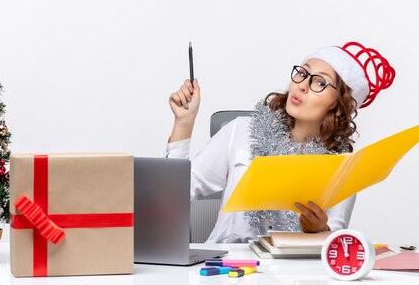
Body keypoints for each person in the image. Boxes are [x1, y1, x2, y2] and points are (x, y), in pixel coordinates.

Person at [165, 41, 396, 243]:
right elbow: (173, 194)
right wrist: (184, 123)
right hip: (226, 267)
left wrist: (320, 230)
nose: (302, 85)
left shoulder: (342, 167)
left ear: (338, 104)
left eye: (320, 83)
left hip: (292, 274)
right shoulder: (242, 130)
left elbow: (333, 246)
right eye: (303, 73)